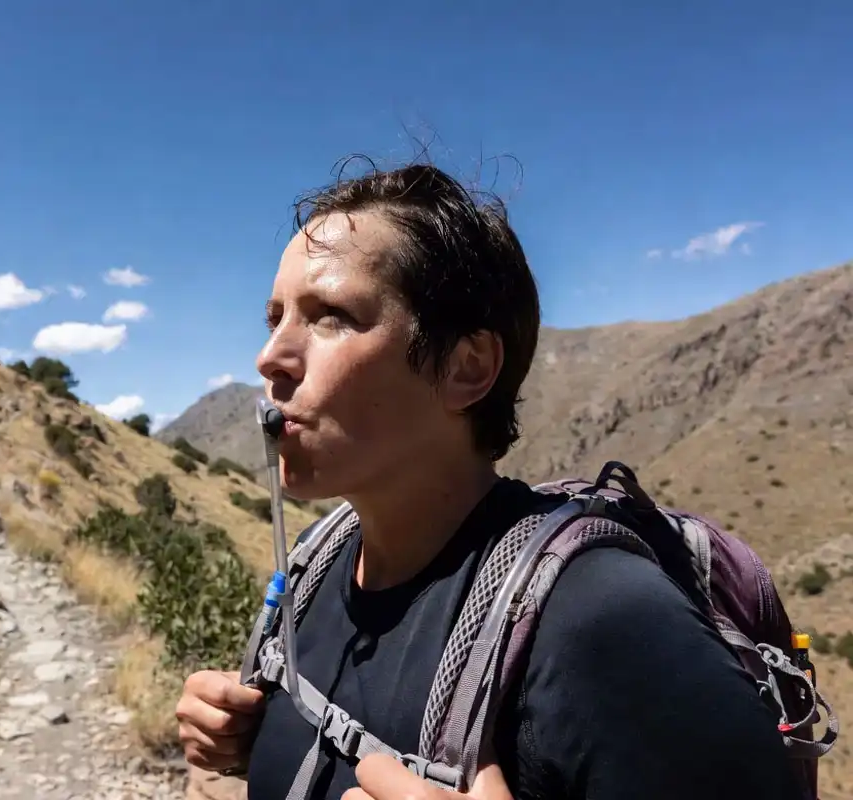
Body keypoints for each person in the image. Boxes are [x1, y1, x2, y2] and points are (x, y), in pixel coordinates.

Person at [175, 158, 805, 800]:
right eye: (274, 318)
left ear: (466, 368)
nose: (270, 357)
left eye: (331, 314)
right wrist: (251, 736)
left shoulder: (604, 620)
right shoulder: (315, 568)